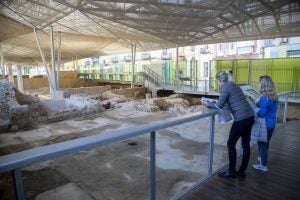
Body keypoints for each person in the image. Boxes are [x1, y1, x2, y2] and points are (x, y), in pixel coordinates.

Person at [203, 71, 254, 178]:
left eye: (217, 81)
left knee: (230, 144)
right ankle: (242, 171)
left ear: (220, 80)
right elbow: (231, 100)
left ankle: (231, 171)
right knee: (245, 144)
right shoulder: (233, 85)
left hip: (241, 119)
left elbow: (219, 106)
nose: (217, 83)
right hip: (250, 116)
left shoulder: (225, 87)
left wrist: (207, 104)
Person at [252, 75, 278, 172]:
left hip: (265, 125)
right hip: (271, 124)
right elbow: (269, 108)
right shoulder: (274, 96)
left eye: (260, 83)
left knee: (262, 144)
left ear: (263, 85)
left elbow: (262, 114)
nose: (258, 85)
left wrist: (255, 109)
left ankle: (263, 165)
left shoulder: (264, 98)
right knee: (266, 143)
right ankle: (263, 158)